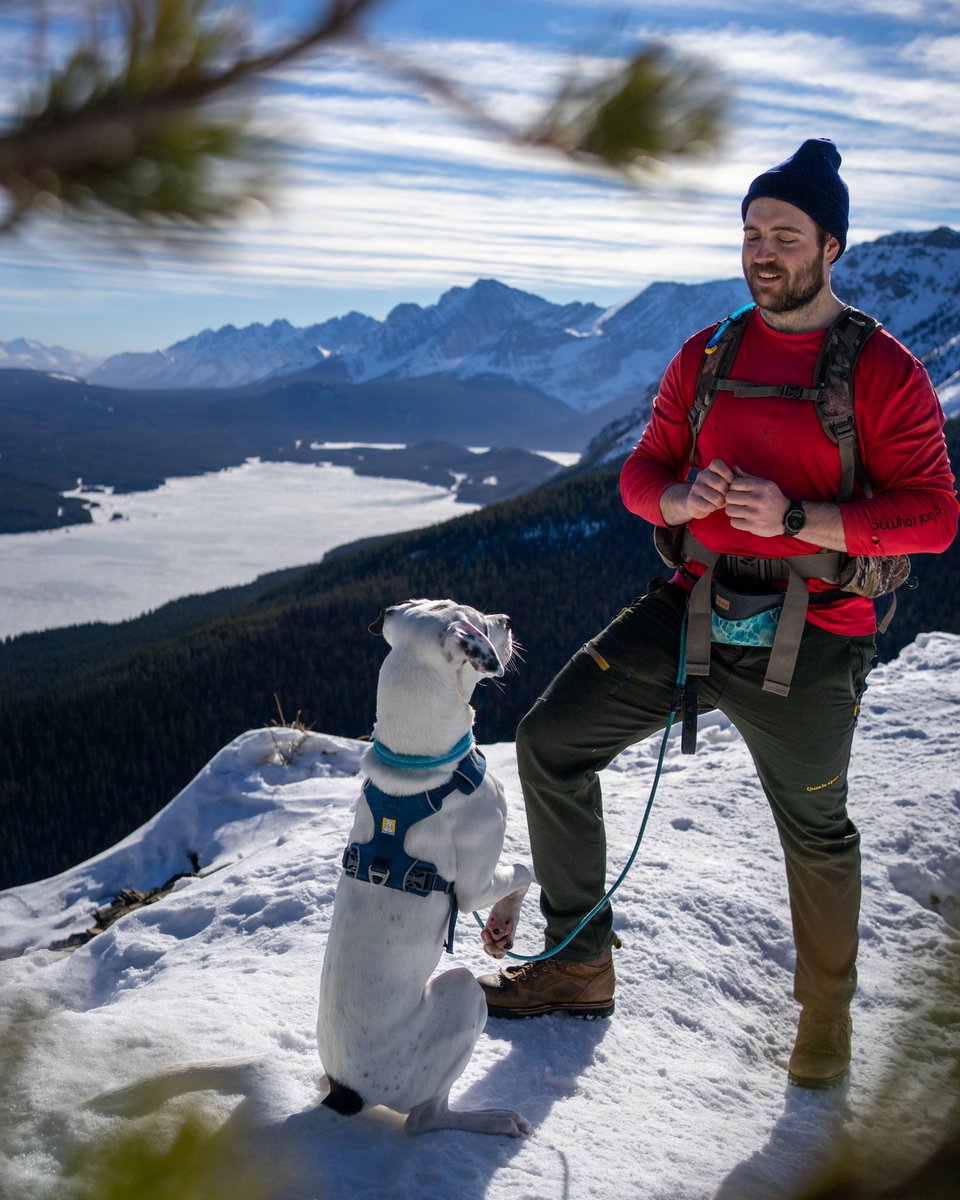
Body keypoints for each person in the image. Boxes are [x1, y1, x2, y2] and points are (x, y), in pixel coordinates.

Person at [477, 138, 959, 1089]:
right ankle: (580, 962)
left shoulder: (882, 372)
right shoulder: (709, 355)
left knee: (817, 829)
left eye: (786, 234)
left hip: (819, 630)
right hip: (692, 604)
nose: (762, 252)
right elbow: (638, 475)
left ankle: (825, 1020)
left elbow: (936, 517)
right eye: (751, 233)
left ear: (832, 248)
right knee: (552, 740)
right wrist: (680, 501)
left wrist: (800, 517)